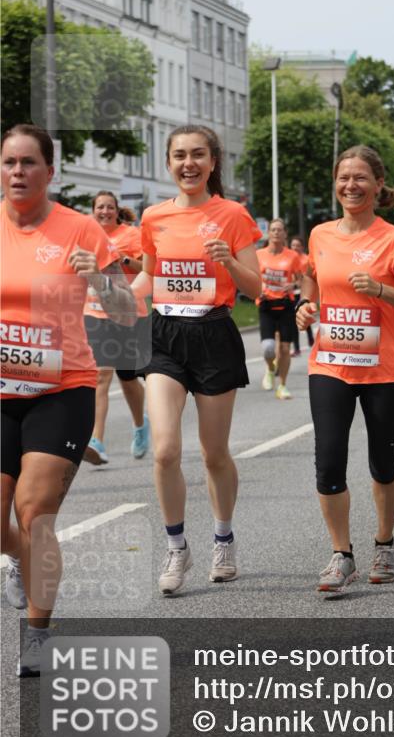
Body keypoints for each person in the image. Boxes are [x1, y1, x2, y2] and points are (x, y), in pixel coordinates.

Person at [1, 125, 136, 677]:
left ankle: (38, 636)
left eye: (28, 163)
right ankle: (22, 562)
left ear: (50, 172)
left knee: (35, 515)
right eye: (8, 162)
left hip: (63, 388)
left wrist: (101, 283)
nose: (17, 172)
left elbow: (126, 313)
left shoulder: (80, 229)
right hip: (2, 389)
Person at [131, 125, 262, 596]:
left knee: (213, 453)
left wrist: (229, 260)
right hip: (164, 335)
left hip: (213, 333)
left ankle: (223, 538)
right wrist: (116, 300)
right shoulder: (153, 217)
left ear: (212, 162)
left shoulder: (232, 214)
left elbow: (257, 289)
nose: (189, 163)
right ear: (168, 162)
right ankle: (176, 546)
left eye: (198, 155)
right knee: (165, 450)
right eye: (179, 155)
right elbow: (148, 279)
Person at [296, 146, 394, 592]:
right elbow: (313, 277)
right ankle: (341, 554)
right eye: (343, 178)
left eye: (360, 178)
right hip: (330, 363)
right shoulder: (320, 234)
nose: (350, 186)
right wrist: (307, 304)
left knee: (382, 463)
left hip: (385, 369)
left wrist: (379, 289)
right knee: (328, 462)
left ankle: (385, 542)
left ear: (377, 185)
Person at [83, 191, 151, 462]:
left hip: (127, 313)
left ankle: (139, 424)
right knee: (100, 376)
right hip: (95, 313)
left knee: (128, 378)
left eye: (109, 207)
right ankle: (97, 440)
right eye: (100, 207)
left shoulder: (131, 235)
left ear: (116, 210)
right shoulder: (85, 235)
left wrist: (122, 259)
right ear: (93, 210)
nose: (105, 212)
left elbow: (148, 267)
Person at [257, 219, 302, 400]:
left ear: (285, 234)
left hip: (285, 305)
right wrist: (257, 288)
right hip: (266, 305)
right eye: (273, 230)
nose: (276, 233)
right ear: (268, 233)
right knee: (268, 348)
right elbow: (252, 275)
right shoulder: (259, 254)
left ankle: (282, 385)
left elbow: (301, 280)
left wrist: (293, 284)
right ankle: (270, 368)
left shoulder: (292, 256)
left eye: (279, 230)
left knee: (284, 348)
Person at [290, 236, 314, 356]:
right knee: (294, 320)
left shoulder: (306, 259)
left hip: (302, 292)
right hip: (290, 293)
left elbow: (308, 277)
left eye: (297, 245)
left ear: (302, 247)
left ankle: (310, 339)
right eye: (293, 245)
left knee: (303, 316)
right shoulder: (288, 258)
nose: (295, 248)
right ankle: (296, 347)